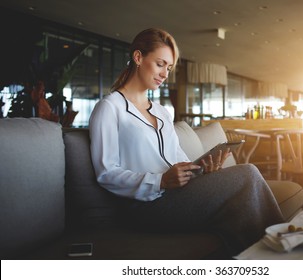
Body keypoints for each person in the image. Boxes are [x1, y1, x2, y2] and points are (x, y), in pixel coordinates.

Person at [89, 28, 284, 257]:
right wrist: (160, 180)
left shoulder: (161, 112)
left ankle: (262, 256)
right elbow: (106, 173)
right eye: (160, 64)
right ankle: (284, 248)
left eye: (169, 68)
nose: (164, 74)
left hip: (175, 194)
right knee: (247, 173)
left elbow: (178, 159)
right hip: (143, 206)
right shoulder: (109, 108)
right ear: (138, 57)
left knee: (241, 195)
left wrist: (203, 170)